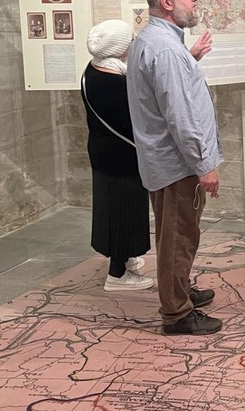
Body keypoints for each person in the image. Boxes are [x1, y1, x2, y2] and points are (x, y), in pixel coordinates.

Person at [126, 0, 223, 336]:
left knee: (176, 232)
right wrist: (204, 165)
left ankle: (178, 290)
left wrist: (189, 57)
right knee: (179, 236)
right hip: (178, 163)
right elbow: (181, 116)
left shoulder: (156, 41)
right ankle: (177, 313)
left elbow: (164, 89)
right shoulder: (166, 49)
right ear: (166, 3)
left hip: (165, 160)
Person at [81, 19, 153, 292]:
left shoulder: (93, 70)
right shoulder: (116, 83)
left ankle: (126, 258)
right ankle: (118, 274)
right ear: (121, 48)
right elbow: (136, 120)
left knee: (113, 209)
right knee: (125, 212)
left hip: (104, 152)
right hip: (121, 157)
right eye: (131, 41)